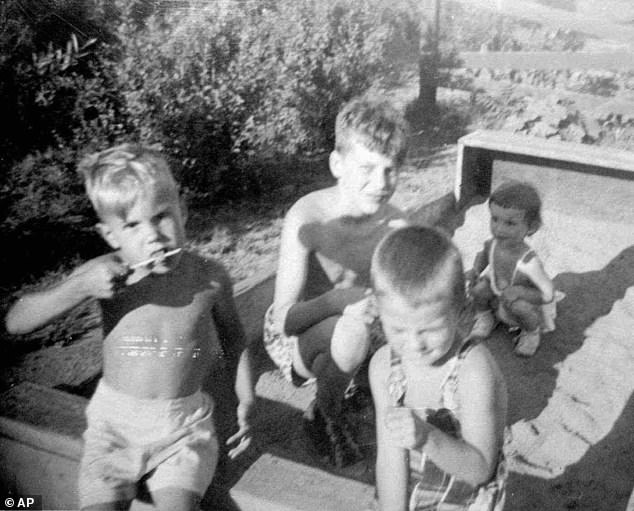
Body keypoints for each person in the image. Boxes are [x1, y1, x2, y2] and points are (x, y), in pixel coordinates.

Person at [4, 144, 255, 511]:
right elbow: (15, 322)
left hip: (183, 429)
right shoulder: (108, 273)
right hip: (114, 430)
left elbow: (234, 339)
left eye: (161, 216)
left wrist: (245, 399)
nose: (152, 236)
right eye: (133, 225)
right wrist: (79, 286)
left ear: (183, 211)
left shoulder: (211, 278)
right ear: (110, 235)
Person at [263, 96, 410, 467]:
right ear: (337, 164)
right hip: (300, 331)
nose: (380, 183)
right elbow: (284, 319)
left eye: (390, 170)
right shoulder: (309, 219)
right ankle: (325, 415)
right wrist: (338, 301)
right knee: (353, 330)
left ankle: (360, 386)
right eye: (367, 168)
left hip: (359, 321)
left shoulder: (396, 224)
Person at [369, 225, 508, 511]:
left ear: (460, 309)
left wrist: (426, 436)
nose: (414, 344)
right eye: (397, 329)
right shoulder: (385, 367)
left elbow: (480, 469)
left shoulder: (472, 370)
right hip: (414, 494)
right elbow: (390, 456)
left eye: (430, 329)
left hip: (466, 500)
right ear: (378, 310)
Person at [467, 180, 557, 357]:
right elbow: (484, 255)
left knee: (519, 308)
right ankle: (485, 316)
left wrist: (521, 292)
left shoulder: (529, 262)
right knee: (478, 290)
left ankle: (531, 333)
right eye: (495, 219)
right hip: (498, 289)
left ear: (531, 227)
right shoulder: (493, 244)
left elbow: (548, 294)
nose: (499, 229)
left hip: (524, 299)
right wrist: (475, 270)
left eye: (510, 223)